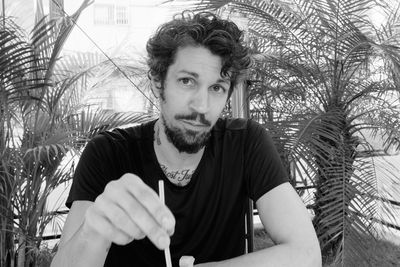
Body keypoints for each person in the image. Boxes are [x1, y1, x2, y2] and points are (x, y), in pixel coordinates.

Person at [51, 11, 321, 267]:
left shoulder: (244, 143)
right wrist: (94, 228)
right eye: (187, 81)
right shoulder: (108, 153)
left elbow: (306, 254)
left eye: (216, 88)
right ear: (158, 82)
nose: (201, 106)